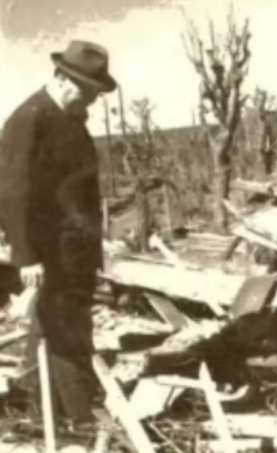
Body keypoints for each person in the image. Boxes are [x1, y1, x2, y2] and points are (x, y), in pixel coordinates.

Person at [0, 40, 117, 435]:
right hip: (50, 250)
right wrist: (25, 255)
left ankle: (42, 410)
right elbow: (12, 193)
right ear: (62, 78)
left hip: (76, 249)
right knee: (64, 330)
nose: (92, 101)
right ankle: (80, 420)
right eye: (87, 92)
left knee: (62, 324)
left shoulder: (71, 118)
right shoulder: (30, 118)